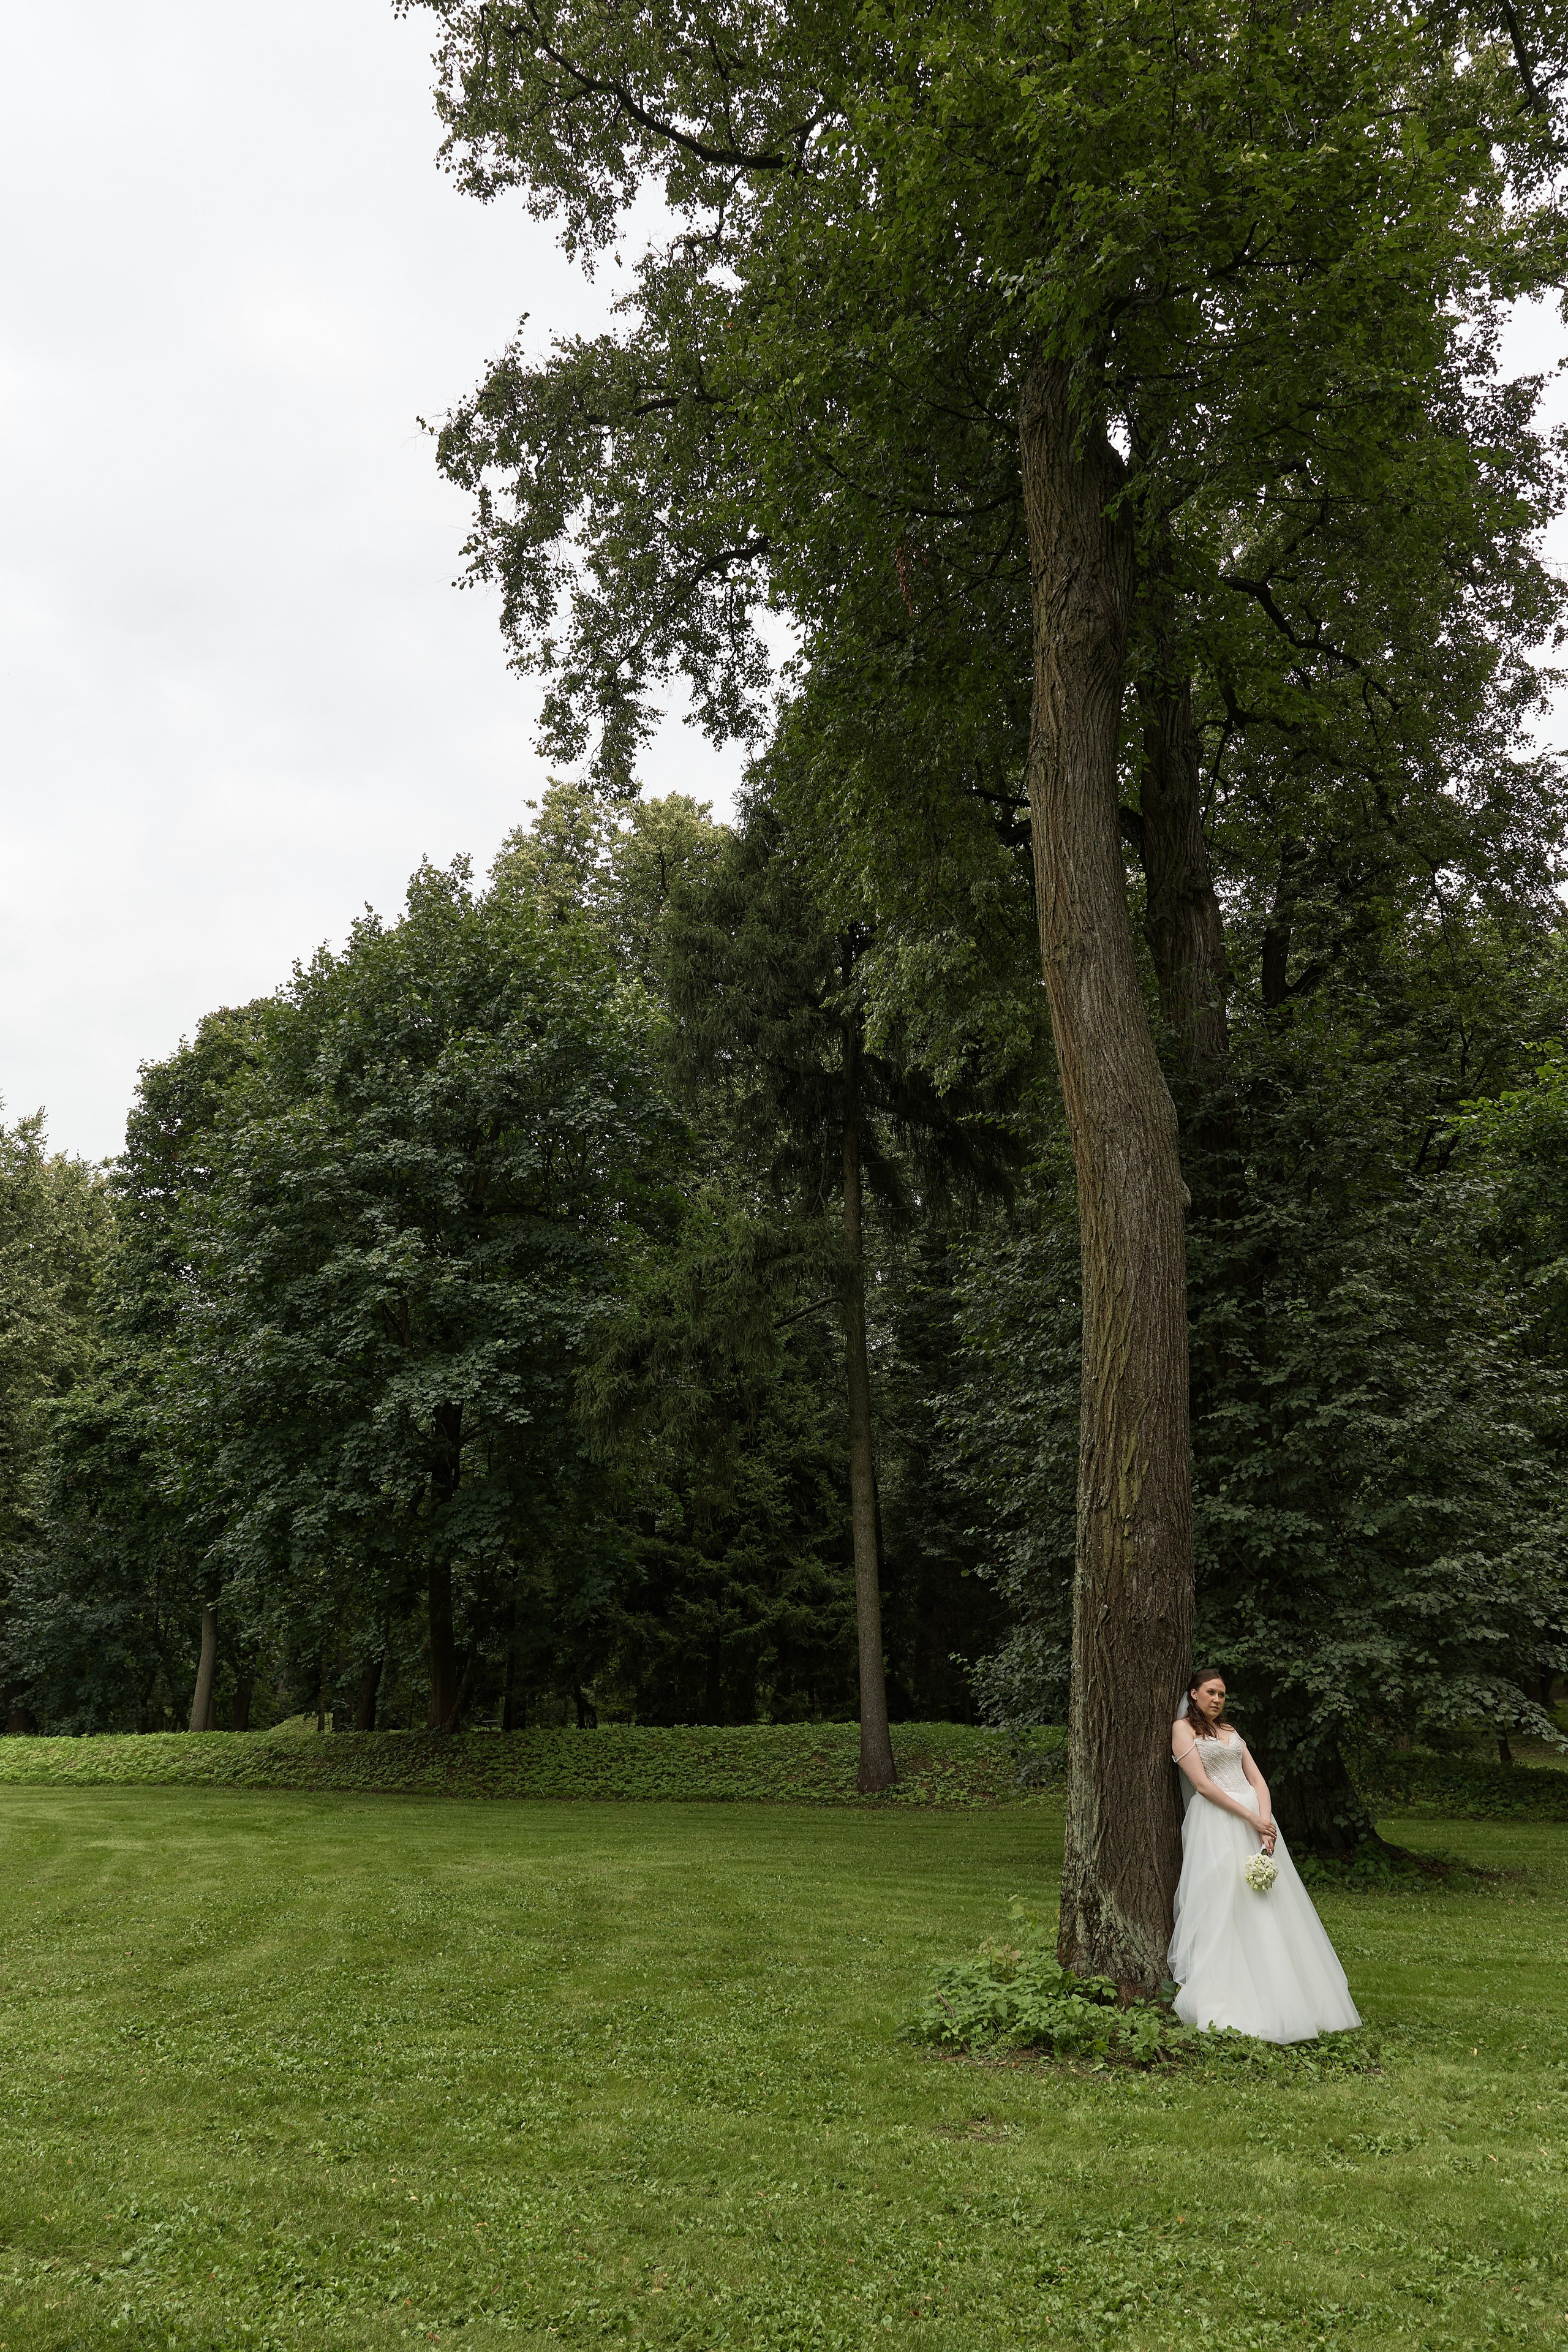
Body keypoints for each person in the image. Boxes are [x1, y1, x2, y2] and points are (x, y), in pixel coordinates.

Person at [1168, 1666, 1362, 2044]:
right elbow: (1203, 1785)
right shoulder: (1183, 1731)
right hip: (1219, 1822)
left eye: (1222, 1694)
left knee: (1268, 1902)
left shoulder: (1231, 1732)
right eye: (1210, 1692)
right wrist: (1251, 1817)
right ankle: (1229, 1992)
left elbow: (1257, 1780)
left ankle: (1287, 1992)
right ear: (1194, 1694)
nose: (1217, 1699)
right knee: (1225, 1898)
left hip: (1256, 1820)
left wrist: (1266, 1823)